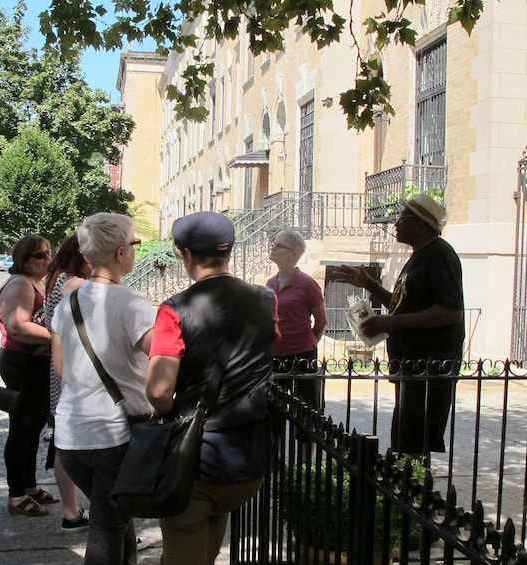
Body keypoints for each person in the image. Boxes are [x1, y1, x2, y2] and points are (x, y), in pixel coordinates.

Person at [147, 211, 279, 565]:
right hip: (248, 456)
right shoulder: (266, 299)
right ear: (229, 251)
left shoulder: (174, 310)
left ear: (186, 255)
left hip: (196, 463)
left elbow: (159, 391)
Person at [51, 213, 155, 565]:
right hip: (113, 433)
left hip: (69, 434)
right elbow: (162, 357)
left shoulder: (69, 303)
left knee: (113, 516)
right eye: (135, 243)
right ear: (120, 252)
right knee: (107, 527)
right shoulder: (131, 302)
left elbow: (61, 368)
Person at [333, 193, 464, 458]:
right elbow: (403, 305)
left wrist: (391, 322)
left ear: (421, 223)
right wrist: (369, 285)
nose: (395, 224)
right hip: (410, 368)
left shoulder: (440, 255)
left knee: (414, 446)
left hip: (428, 369)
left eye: (402, 218)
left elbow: (450, 312)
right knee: (405, 441)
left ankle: (412, 494)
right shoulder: (419, 257)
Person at [0, 235, 57, 517]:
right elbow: (17, 326)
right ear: (23, 259)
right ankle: (16, 494)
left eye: (48, 254)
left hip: (36, 361)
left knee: (34, 429)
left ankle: (30, 486)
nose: (46, 260)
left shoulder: (37, 282)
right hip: (21, 361)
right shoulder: (20, 283)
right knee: (22, 429)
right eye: (39, 256)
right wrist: (58, 336)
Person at [42, 234, 91, 531]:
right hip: (75, 370)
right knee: (72, 445)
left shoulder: (57, 278)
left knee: (65, 443)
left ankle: (71, 511)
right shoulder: (74, 283)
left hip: (62, 365)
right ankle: (72, 511)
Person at [267, 229, 327, 409]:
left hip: (302, 354)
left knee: (305, 408)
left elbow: (321, 321)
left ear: (292, 254)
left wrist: (308, 343)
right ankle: (277, 439)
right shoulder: (271, 283)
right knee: (275, 409)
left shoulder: (307, 284)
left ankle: (305, 439)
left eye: (279, 246)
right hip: (275, 354)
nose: (273, 248)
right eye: (274, 244)